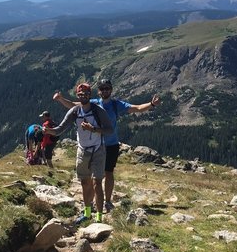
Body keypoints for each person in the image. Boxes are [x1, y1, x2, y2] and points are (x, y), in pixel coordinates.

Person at [54, 79, 160, 212]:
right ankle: (93, 204)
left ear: (111, 90)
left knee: (108, 173)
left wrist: (152, 104)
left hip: (110, 144)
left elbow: (137, 108)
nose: (105, 91)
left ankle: (107, 201)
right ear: (98, 91)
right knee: (94, 177)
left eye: (107, 88)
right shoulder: (93, 103)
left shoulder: (116, 105)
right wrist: (60, 99)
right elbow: (74, 105)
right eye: (102, 89)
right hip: (95, 145)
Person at [43, 82, 113, 225]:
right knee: (84, 183)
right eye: (81, 94)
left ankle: (99, 216)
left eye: (86, 94)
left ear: (90, 95)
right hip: (82, 150)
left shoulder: (98, 111)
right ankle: (87, 213)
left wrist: (93, 129)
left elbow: (109, 130)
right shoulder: (75, 111)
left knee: (97, 183)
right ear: (77, 95)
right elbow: (60, 129)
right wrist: (49, 131)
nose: (83, 97)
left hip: (98, 150)